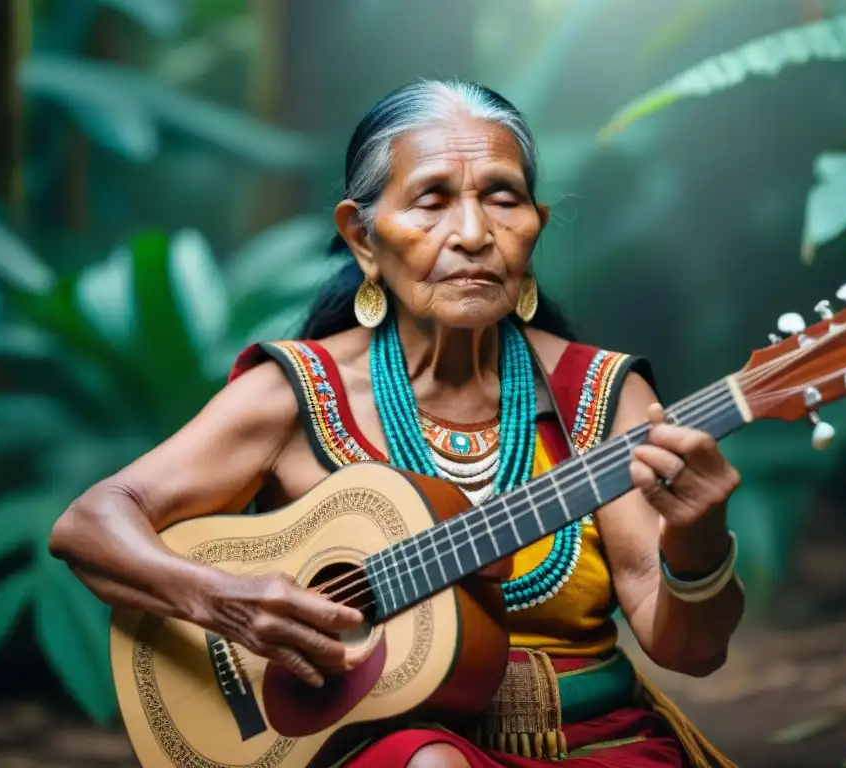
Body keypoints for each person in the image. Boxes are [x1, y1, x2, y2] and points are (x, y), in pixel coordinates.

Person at [49, 78, 745, 768]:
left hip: (597, 748)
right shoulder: (297, 393)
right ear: (362, 236)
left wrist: (697, 537)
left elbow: (692, 650)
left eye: (502, 197)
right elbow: (91, 525)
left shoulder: (600, 394)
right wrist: (229, 601)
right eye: (431, 200)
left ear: (535, 224)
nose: (473, 234)